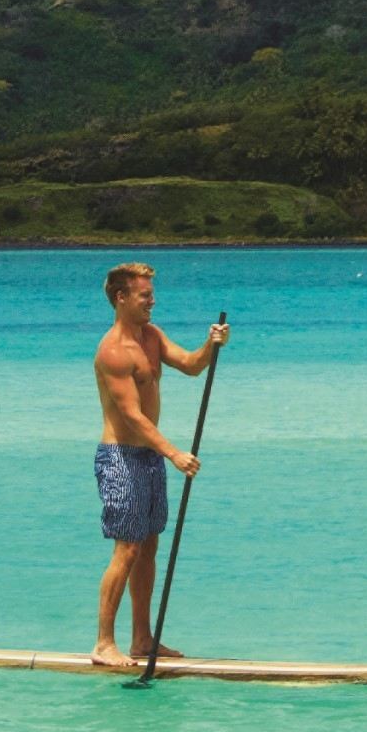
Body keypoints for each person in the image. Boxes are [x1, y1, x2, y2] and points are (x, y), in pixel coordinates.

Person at [92, 263, 226, 667]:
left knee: (148, 547)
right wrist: (174, 453)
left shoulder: (151, 336)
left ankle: (142, 639)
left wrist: (210, 345)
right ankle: (103, 644)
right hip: (121, 458)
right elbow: (132, 416)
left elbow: (189, 364)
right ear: (122, 298)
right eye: (145, 295)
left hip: (150, 456)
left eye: (152, 293)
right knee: (127, 547)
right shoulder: (113, 351)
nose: (153, 300)